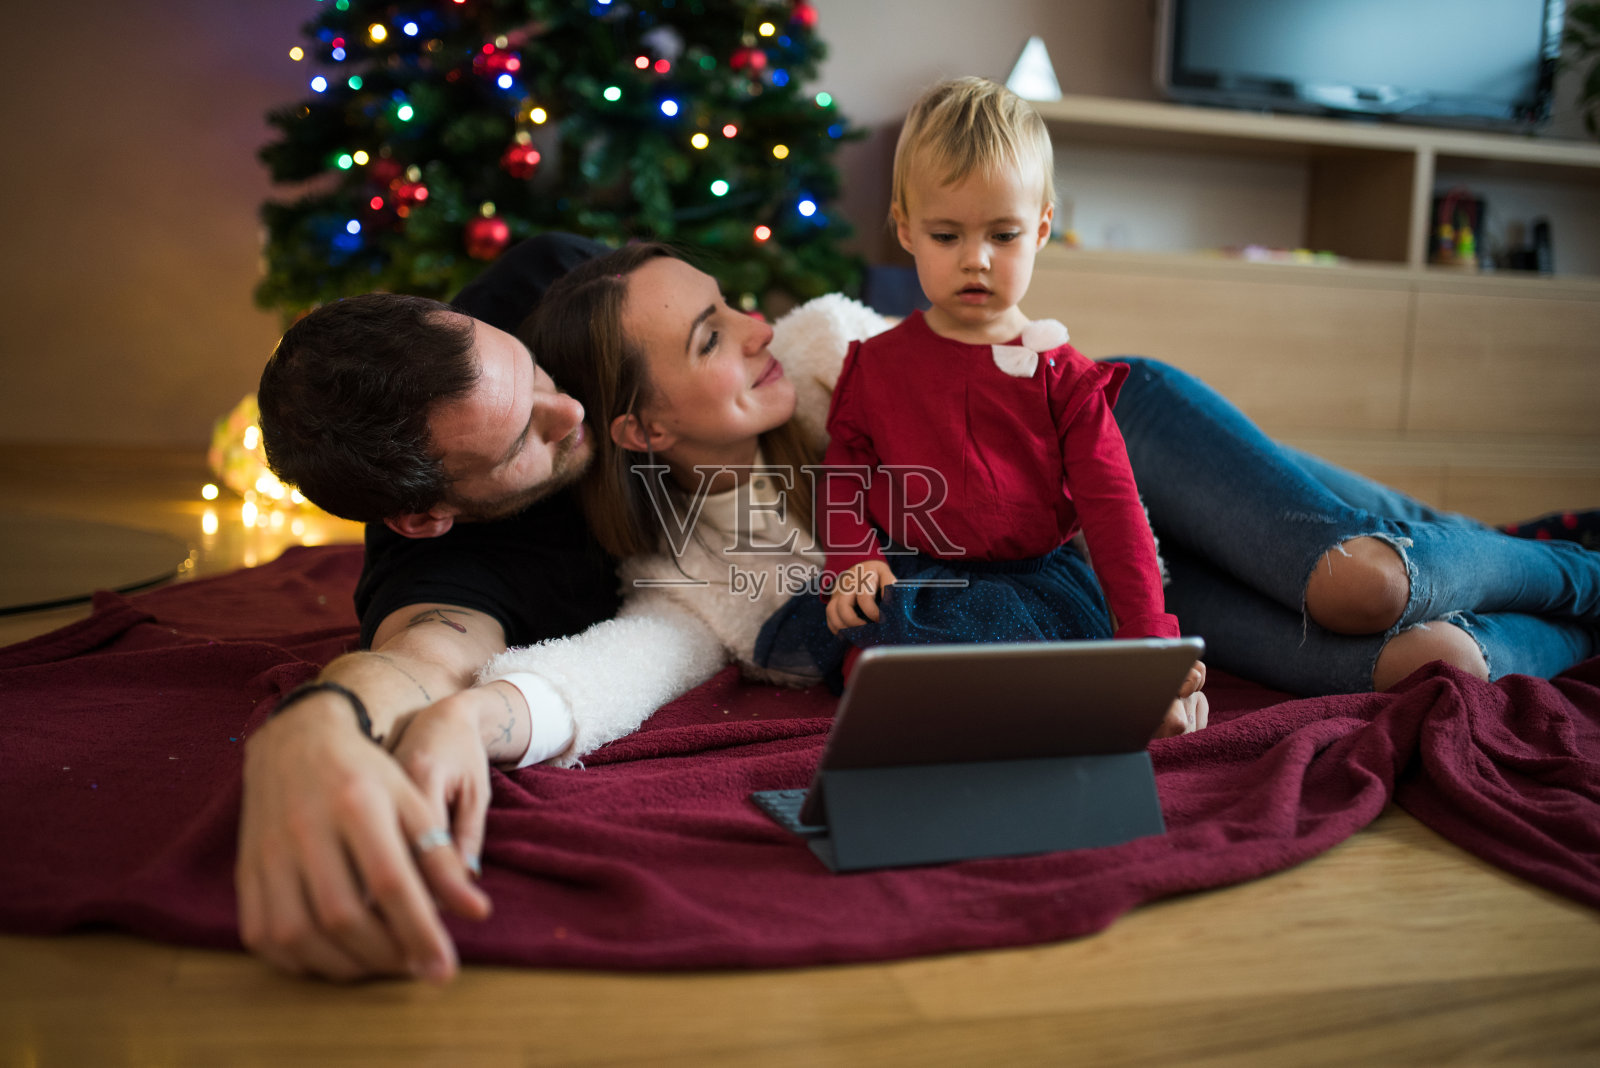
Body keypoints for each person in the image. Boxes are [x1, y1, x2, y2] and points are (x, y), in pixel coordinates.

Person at [246, 222, 1600, 983]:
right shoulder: (675, 562)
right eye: (531, 434)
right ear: (427, 512)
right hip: (1099, 587)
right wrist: (463, 719)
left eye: (544, 382)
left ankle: (1565, 564)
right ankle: (1513, 601)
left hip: (1118, 451)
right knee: (1427, 668)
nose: (567, 418)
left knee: (1363, 583)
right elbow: (594, 660)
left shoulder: (808, 348)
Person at [466, 243, 1208, 778]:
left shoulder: (830, 354)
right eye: (711, 337)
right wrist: (468, 723)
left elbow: (1040, 445)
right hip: (1130, 588)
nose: (758, 326)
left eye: (729, 302)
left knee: (1289, 563)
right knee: (1278, 639)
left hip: (1124, 491)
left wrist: (1141, 646)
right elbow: (609, 674)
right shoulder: (689, 581)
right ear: (645, 430)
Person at [757, 77, 1183, 687]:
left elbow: (1115, 513)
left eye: (1003, 236)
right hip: (915, 582)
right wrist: (854, 560)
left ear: (1041, 228)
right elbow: (845, 476)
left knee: (1045, 680)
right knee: (868, 667)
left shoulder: (1065, 378)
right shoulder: (875, 365)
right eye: (946, 235)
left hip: (1033, 591)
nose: (975, 259)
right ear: (906, 228)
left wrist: (1149, 638)